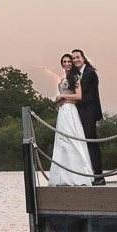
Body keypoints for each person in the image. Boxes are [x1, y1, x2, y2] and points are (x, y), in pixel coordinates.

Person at [44, 53, 93, 186]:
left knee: (71, 140)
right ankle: (63, 176)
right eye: (64, 61)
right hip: (62, 111)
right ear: (61, 64)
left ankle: (77, 176)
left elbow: (78, 96)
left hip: (70, 111)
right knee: (62, 142)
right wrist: (60, 100)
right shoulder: (62, 78)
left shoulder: (75, 77)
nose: (67, 64)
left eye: (69, 61)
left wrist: (62, 96)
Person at [70, 48, 104, 184]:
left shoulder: (90, 73)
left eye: (77, 57)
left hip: (89, 112)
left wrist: (71, 100)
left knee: (91, 143)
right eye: (73, 58)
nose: (75, 60)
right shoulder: (76, 74)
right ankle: (87, 174)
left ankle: (99, 175)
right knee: (81, 143)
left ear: (83, 58)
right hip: (79, 113)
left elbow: (90, 96)